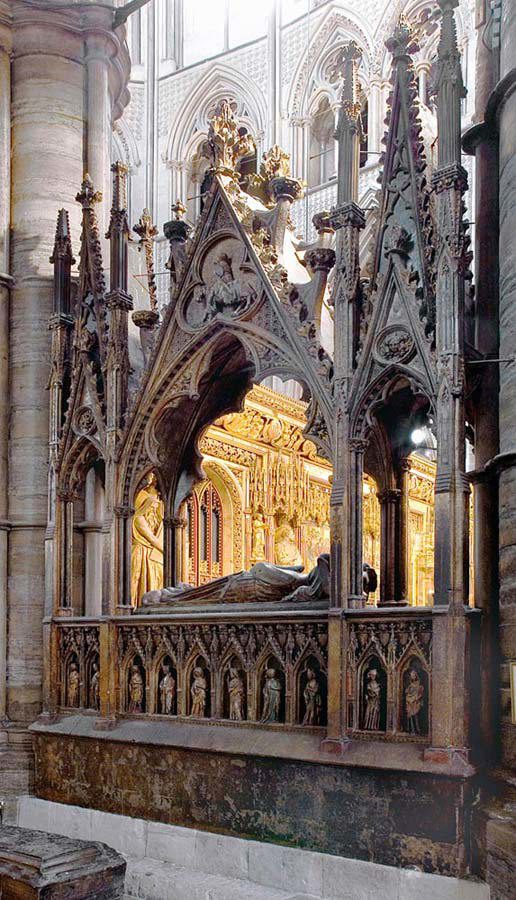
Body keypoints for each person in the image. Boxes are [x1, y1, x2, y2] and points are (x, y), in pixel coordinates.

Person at [131, 476, 164, 605]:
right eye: (153, 506)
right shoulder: (139, 519)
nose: (155, 509)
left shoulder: (155, 519)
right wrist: (166, 549)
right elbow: (149, 536)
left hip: (152, 556)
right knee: (136, 582)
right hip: (140, 553)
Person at [405, 668, 425, 734]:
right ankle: (412, 729)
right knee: (410, 716)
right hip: (410, 702)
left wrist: (416, 698)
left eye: (413, 675)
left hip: (415, 702)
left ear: (416, 676)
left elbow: (420, 693)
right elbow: (408, 692)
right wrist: (409, 696)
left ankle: (418, 729)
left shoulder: (419, 684)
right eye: (411, 676)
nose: (412, 677)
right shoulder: (410, 685)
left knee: (416, 715)